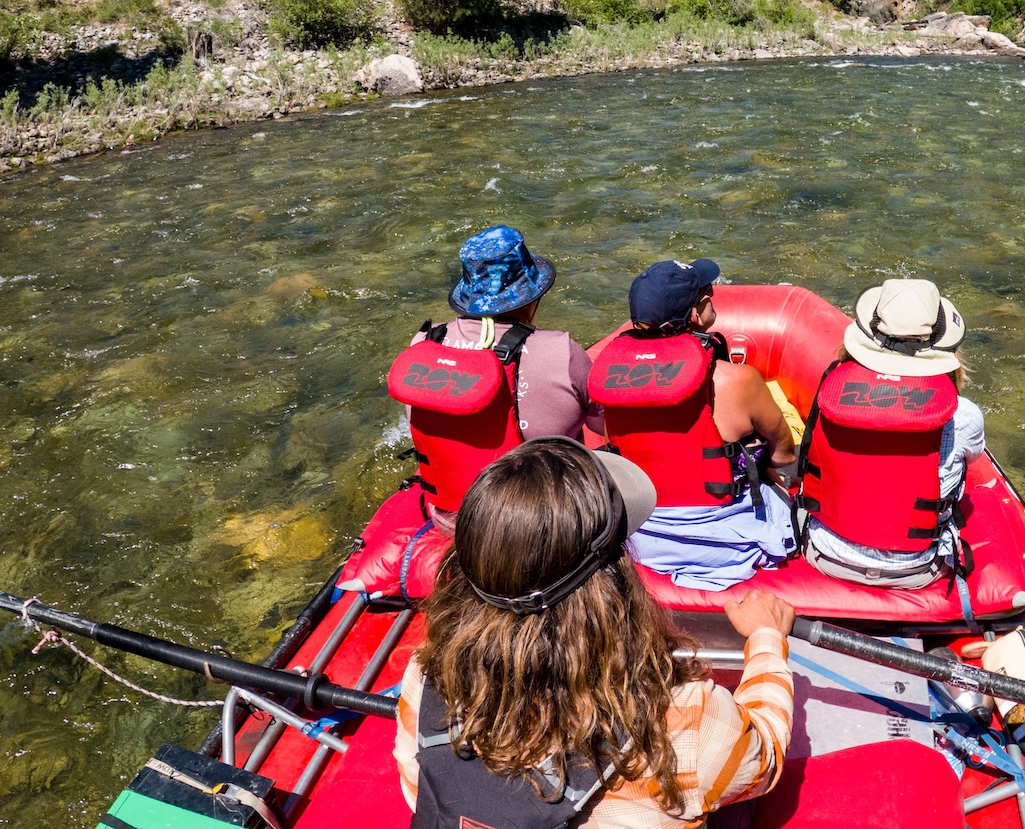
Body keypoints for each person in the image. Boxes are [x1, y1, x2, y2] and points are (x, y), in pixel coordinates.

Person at [393, 438, 797, 829]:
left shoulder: (425, 674)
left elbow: (419, 790)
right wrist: (765, 639)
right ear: (610, 587)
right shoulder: (683, 716)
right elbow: (765, 757)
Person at [590, 259, 798, 590]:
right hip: (725, 543)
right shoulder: (735, 380)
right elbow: (784, 455)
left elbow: (614, 449)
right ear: (697, 315)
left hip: (644, 539)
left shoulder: (611, 379)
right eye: (708, 295)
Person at [387, 225, 602, 526]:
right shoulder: (561, 352)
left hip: (449, 518)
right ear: (532, 297)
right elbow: (605, 425)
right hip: (540, 524)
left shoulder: (424, 343)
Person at [797, 279, 986, 588]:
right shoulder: (962, 415)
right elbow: (972, 457)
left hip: (825, 554)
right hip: (918, 568)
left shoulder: (831, 393)